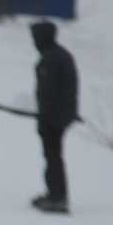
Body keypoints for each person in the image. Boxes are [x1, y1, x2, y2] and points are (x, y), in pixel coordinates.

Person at [30, 21, 79, 214]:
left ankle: (57, 197)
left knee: (52, 156)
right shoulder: (60, 55)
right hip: (61, 114)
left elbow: (48, 92)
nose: (33, 41)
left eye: (35, 36)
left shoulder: (51, 58)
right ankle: (55, 193)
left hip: (53, 117)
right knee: (53, 155)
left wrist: (45, 117)